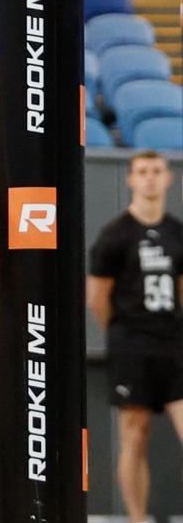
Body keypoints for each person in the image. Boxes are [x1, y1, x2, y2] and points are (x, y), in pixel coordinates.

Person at [87, 149, 183, 523]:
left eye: (156, 171)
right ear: (130, 179)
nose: (149, 178)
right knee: (135, 434)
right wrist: (123, 332)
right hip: (132, 344)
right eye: (142, 171)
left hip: (173, 343)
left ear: (168, 177)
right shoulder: (115, 235)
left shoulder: (177, 233)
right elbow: (97, 297)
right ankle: (137, 518)